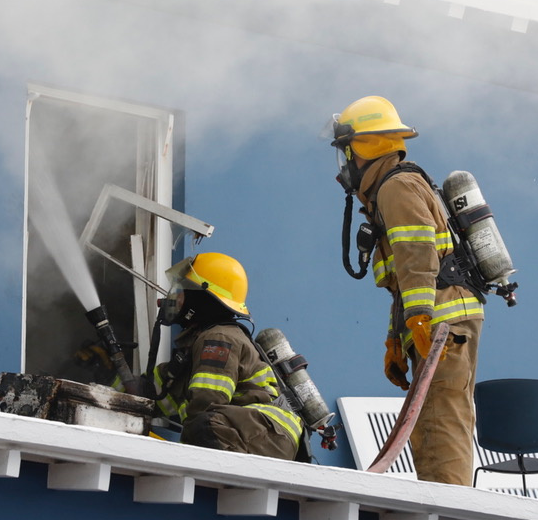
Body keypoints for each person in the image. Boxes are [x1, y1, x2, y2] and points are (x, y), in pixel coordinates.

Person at [330, 95, 484, 485]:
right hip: (441, 317)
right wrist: (395, 338)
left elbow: (418, 257)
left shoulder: (396, 187)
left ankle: (449, 509)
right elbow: (405, 282)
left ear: (360, 148)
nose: (343, 165)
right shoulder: (394, 186)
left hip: (442, 320)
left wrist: (418, 319)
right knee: (435, 419)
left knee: (438, 421)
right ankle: (447, 501)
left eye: (345, 152)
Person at [151, 252, 308, 462]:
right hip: (260, 434)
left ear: (201, 298)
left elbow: (207, 402)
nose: (175, 299)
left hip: (267, 435)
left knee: (201, 425)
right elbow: (160, 395)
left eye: (182, 292)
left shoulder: (219, 338)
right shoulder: (196, 346)